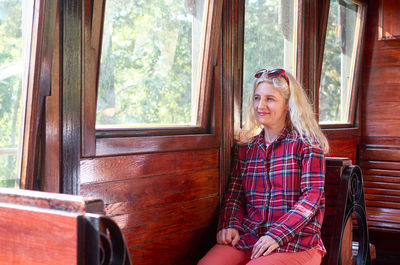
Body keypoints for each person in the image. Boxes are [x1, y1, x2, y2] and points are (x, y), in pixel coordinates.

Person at [198, 68, 329, 265]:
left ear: (287, 105)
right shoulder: (246, 149)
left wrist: (276, 235)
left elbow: (311, 198)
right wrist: (229, 224)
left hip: (297, 242)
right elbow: (235, 194)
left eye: (270, 99)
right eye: (257, 98)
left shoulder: (308, 145)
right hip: (250, 237)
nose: (261, 105)